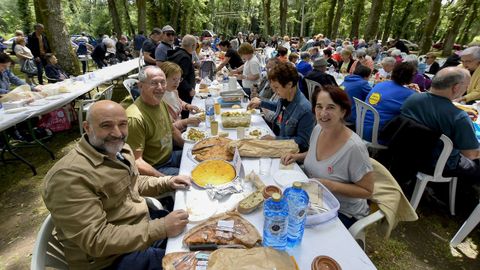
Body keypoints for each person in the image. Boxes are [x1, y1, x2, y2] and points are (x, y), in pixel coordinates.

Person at [42, 100, 191, 269]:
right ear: (87, 127)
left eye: (122, 124)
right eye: (106, 125)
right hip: (113, 259)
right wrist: (161, 228)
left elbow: (132, 183)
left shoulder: (119, 150)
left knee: (200, 232)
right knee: (196, 262)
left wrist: (167, 181)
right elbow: (96, 240)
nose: (117, 133)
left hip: (141, 228)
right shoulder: (68, 177)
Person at [280, 85, 373, 228]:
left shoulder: (354, 148)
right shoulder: (318, 129)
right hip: (314, 200)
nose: (323, 113)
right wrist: (297, 156)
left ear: (343, 111)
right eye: (319, 106)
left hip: (342, 211)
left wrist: (331, 185)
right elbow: (315, 155)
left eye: (330, 107)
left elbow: (367, 191)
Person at [401, 67, 480, 182]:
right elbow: (471, 154)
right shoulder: (458, 117)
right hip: (437, 164)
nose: (466, 89)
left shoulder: (413, 98)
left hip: (405, 153)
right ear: (456, 87)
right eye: (466, 86)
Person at [126, 66, 184, 177]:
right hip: (156, 168)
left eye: (163, 82)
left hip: (170, 156)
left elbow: (171, 130)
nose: (160, 87)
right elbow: (136, 161)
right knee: (194, 180)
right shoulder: (134, 118)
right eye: (154, 83)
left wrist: (189, 148)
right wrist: (165, 181)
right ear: (140, 86)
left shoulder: (160, 102)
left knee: (205, 158)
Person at [247, 61, 315, 152]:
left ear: (289, 84)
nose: (275, 92)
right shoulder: (286, 97)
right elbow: (278, 107)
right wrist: (261, 103)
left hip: (290, 156)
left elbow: (302, 142)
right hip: (279, 145)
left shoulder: (305, 109)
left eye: (276, 88)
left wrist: (276, 140)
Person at [363, 62, 417, 142]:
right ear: (410, 77)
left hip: (362, 127)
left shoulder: (380, 84)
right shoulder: (409, 94)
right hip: (377, 135)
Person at [159, 61, 202, 131]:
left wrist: (187, 106)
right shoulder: (159, 100)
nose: (177, 82)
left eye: (179, 79)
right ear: (163, 79)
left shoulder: (173, 91)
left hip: (180, 127)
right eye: (174, 79)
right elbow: (168, 128)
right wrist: (185, 122)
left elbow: (178, 102)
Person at [167, 35, 197, 106]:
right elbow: (180, 77)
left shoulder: (178, 53)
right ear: (193, 46)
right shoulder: (184, 58)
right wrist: (189, 89)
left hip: (178, 92)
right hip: (183, 94)